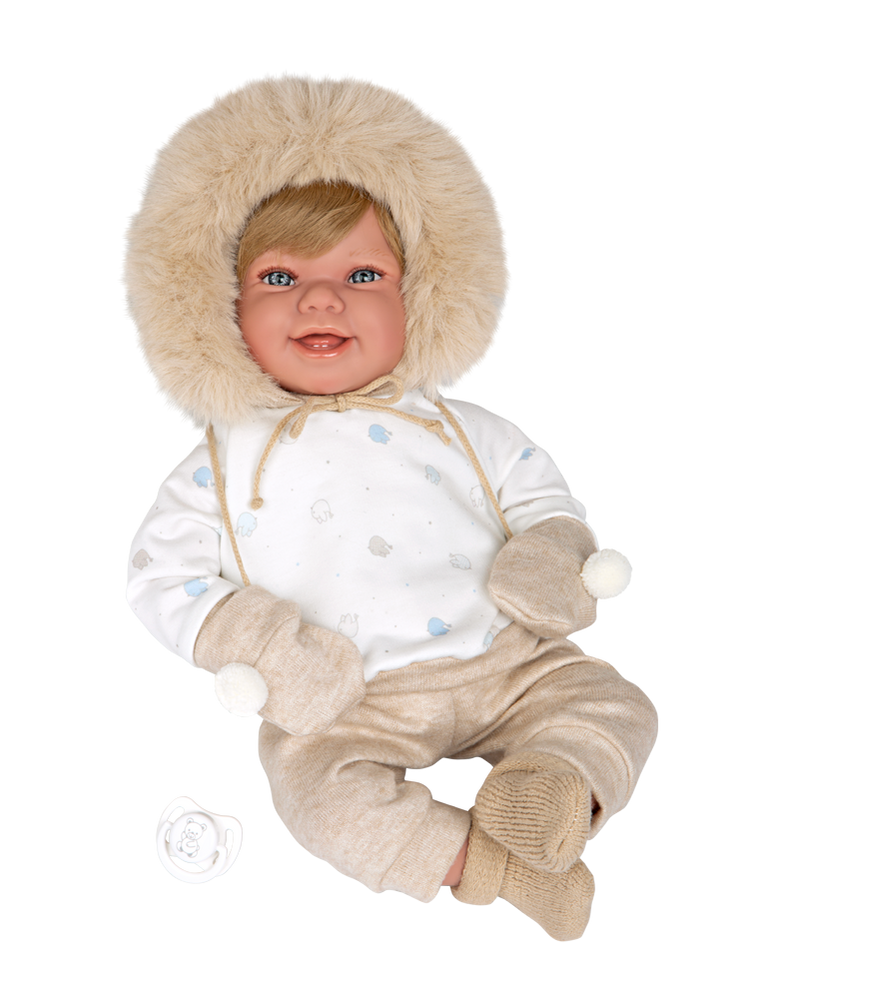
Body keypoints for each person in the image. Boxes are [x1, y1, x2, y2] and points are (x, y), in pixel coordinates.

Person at [121, 70, 660, 943]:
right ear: (219, 308)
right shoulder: (214, 464)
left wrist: (550, 551)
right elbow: (157, 576)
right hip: (346, 698)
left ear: (419, 296)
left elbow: (539, 493)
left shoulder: (463, 425)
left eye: (363, 273)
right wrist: (265, 646)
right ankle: (495, 868)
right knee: (313, 798)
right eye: (280, 276)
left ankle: (551, 784)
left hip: (508, 658)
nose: (321, 298)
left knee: (617, 702)